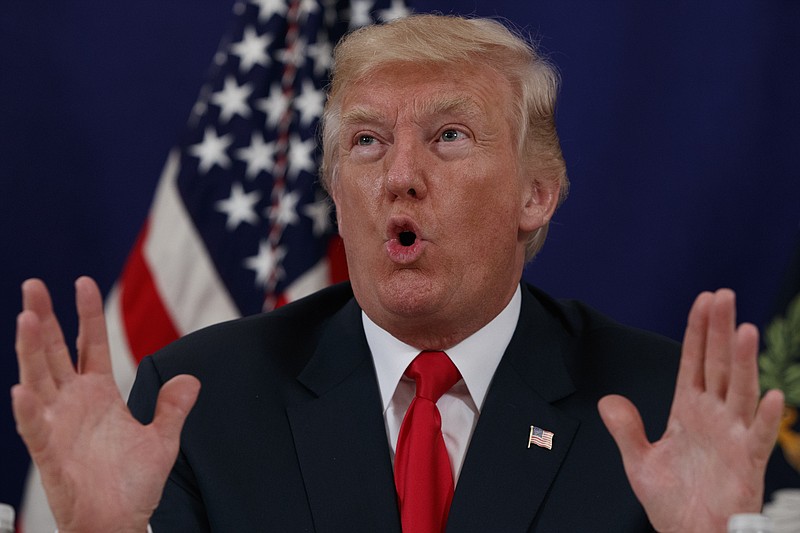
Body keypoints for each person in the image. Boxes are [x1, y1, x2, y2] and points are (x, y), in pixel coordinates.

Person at [12, 14, 784, 533]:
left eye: (448, 136)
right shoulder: (206, 402)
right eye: (368, 142)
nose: (400, 176)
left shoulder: (658, 406)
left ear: (535, 192)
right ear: (338, 197)